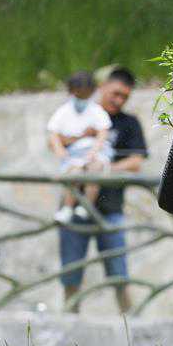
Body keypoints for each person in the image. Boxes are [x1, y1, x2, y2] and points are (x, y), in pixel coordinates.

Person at [58, 67, 148, 314]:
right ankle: (68, 327)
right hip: (74, 207)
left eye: (125, 97)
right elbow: (57, 140)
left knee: (120, 276)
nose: (119, 100)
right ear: (103, 87)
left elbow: (136, 162)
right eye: (115, 93)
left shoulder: (129, 124)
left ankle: (132, 331)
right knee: (70, 276)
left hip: (110, 210)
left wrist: (104, 168)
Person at [47, 71, 113, 223]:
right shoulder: (63, 111)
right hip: (74, 154)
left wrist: (94, 151)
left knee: (94, 171)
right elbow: (53, 132)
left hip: (94, 153)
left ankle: (87, 205)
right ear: (71, 92)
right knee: (74, 174)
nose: (81, 99)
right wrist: (59, 150)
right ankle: (68, 208)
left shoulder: (96, 111)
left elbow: (102, 133)